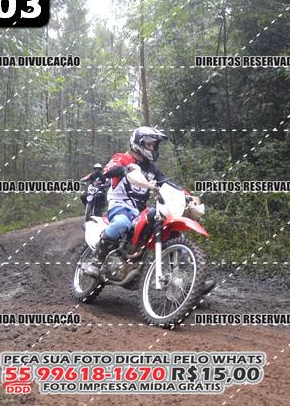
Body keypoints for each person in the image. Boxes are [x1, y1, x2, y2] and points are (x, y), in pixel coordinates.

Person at [83, 126, 215, 294]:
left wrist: (187, 196)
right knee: (122, 223)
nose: (152, 148)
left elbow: (168, 184)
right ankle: (96, 261)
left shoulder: (152, 169)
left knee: (169, 229)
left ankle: (190, 280)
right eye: (149, 144)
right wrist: (124, 169)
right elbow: (107, 171)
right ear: (138, 143)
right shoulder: (122, 158)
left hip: (139, 211)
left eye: (154, 145)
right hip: (120, 206)